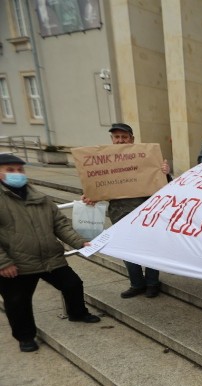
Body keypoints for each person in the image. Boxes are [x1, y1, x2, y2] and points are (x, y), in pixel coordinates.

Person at [0, 153, 101, 353]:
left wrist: (79, 242)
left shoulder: (40, 197)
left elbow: (60, 224)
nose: (17, 174)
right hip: (16, 263)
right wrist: (3, 263)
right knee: (17, 302)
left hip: (49, 258)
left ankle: (77, 313)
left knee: (72, 284)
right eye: (10, 170)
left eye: (20, 170)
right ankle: (25, 337)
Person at [84, 123, 170, 299]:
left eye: (124, 137)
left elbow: (165, 185)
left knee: (150, 247)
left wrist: (165, 173)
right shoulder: (104, 161)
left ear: (132, 139)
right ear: (112, 140)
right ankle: (137, 283)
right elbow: (99, 186)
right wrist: (90, 196)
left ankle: (153, 283)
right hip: (119, 213)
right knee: (126, 249)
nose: (120, 140)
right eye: (117, 137)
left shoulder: (147, 157)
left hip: (146, 211)